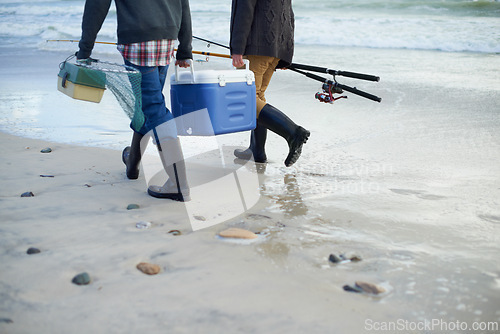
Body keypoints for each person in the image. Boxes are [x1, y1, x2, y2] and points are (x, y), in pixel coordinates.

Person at [76, 0, 193, 201]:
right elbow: (183, 4)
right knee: (146, 105)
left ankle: (178, 183)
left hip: (138, 41)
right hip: (166, 39)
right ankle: (132, 164)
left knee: (154, 109)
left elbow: (97, 6)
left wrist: (84, 50)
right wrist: (185, 47)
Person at [230, 0, 310, 167]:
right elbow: (289, 15)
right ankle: (256, 150)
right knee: (257, 97)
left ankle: (294, 133)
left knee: (248, 100)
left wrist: (237, 48)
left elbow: (244, 11)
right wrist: (286, 54)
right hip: (276, 48)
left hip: (257, 48)